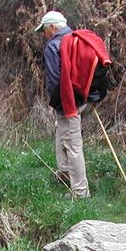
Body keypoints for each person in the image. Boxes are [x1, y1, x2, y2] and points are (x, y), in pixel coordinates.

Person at [36, 10, 91, 198]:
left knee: (73, 145)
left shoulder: (53, 46)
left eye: (44, 30)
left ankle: (80, 193)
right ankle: (65, 175)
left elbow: (55, 81)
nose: (44, 34)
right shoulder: (77, 39)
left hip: (69, 102)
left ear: (52, 27)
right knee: (63, 136)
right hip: (86, 97)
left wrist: (56, 103)